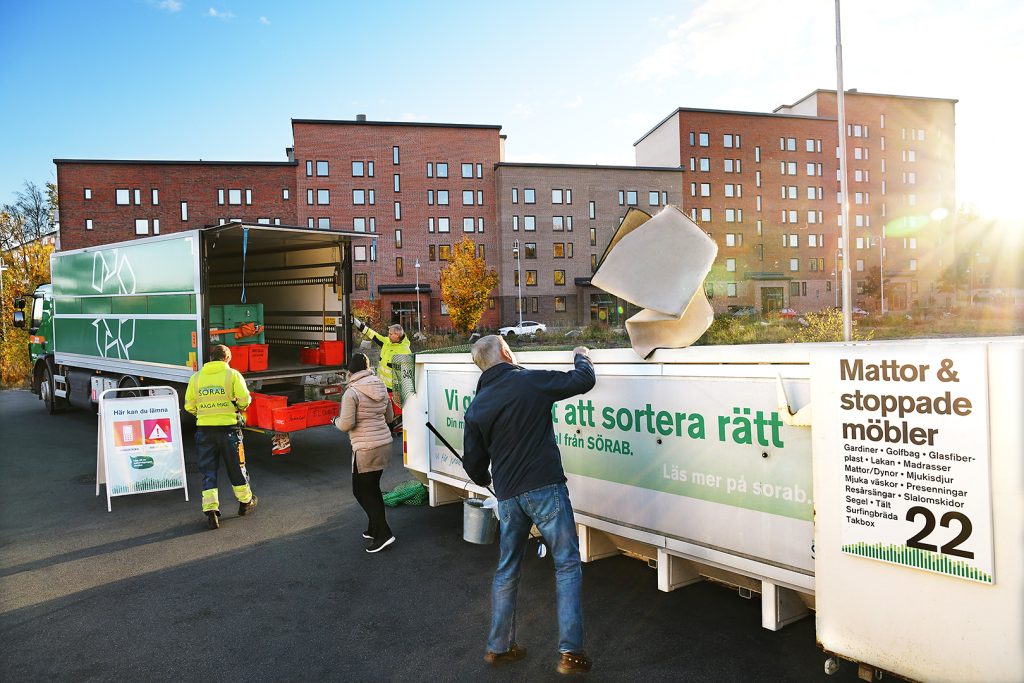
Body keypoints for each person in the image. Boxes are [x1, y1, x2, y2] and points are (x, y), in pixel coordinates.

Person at [462, 335, 596, 675]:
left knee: (507, 570)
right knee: (566, 565)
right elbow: (583, 380)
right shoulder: (528, 381)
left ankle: (499, 647)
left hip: (508, 497)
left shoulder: (477, 405)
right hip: (545, 488)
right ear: (506, 353)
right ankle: (570, 653)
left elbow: (474, 466)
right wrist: (581, 355)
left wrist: (482, 478)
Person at [184, 344, 258, 530]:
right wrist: (234, 408)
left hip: (205, 431)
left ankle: (211, 512)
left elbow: (189, 406)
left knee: (208, 471)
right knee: (236, 467)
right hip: (229, 430)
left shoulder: (196, 378)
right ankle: (245, 502)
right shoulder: (232, 375)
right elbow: (245, 400)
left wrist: (205, 414)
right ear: (227, 359)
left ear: (210, 358)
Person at [333, 352, 396, 553]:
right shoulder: (380, 385)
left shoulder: (351, 392)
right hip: (384, 444)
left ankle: (384, 533)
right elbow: (390, 416)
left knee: (360, 490)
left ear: (350, 371)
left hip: (365, 448)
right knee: (372, 488)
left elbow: (346, 424)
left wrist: (334, 421)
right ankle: (373, 528)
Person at [352, 318, 411, 394]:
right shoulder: (386, 342)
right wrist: (360, 325)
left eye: (390, 334)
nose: (388, 335)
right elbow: (373, 335)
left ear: (397, 335)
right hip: (381, 385)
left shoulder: (405, 351)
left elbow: (407, 374)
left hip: (394, 390)